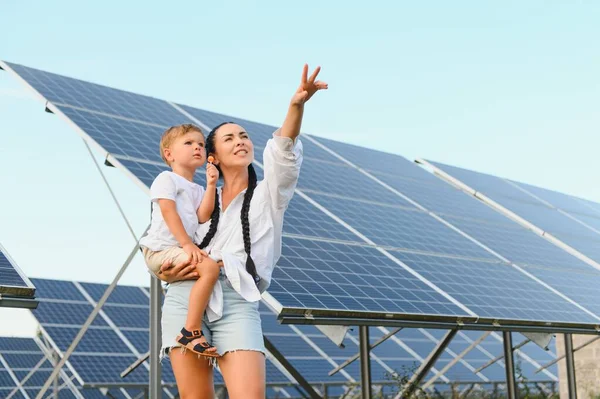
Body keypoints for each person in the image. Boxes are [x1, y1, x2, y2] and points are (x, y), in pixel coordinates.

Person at [157, 64, 327, 399]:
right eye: (229, 138)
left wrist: (296, 107)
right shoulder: (196, 198)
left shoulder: (269, 194)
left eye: (244, 136)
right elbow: (167, 237)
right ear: (213, 157)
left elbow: (283, 154)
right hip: (184, 296)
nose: (240, 142)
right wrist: (168, 266)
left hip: (237, 299)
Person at [139, 123, 221, 358]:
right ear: (169, 154)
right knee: (210, 268)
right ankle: (191, 330)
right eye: (189, 143)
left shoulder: (197, 187)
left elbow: (202, 216)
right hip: (161, 250)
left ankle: (192, 326)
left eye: (201, 145)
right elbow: (168, 212)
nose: (197, 147)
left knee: (207, 270)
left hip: (175, 249)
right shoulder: (167, 179)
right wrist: (187, 244)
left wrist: (212, 185)